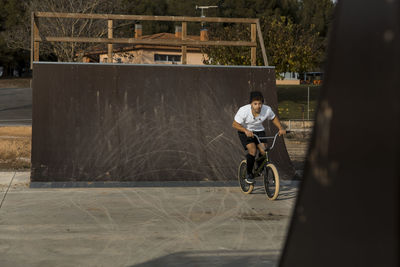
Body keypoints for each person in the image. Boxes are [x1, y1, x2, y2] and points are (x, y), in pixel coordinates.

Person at [232, 91, 286, 184]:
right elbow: (234, 124)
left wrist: (280, 128)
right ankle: (249, 173)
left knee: (263, 150)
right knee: (252, 151)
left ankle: (259, 167)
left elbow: (273, 118)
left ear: (262, 103)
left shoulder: (267, 109)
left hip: (259, 131)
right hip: (245, 131)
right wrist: (245, 131)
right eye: (255, 104)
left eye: (260, 103)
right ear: (251, 104)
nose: (258, 106)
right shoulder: (243, 111)